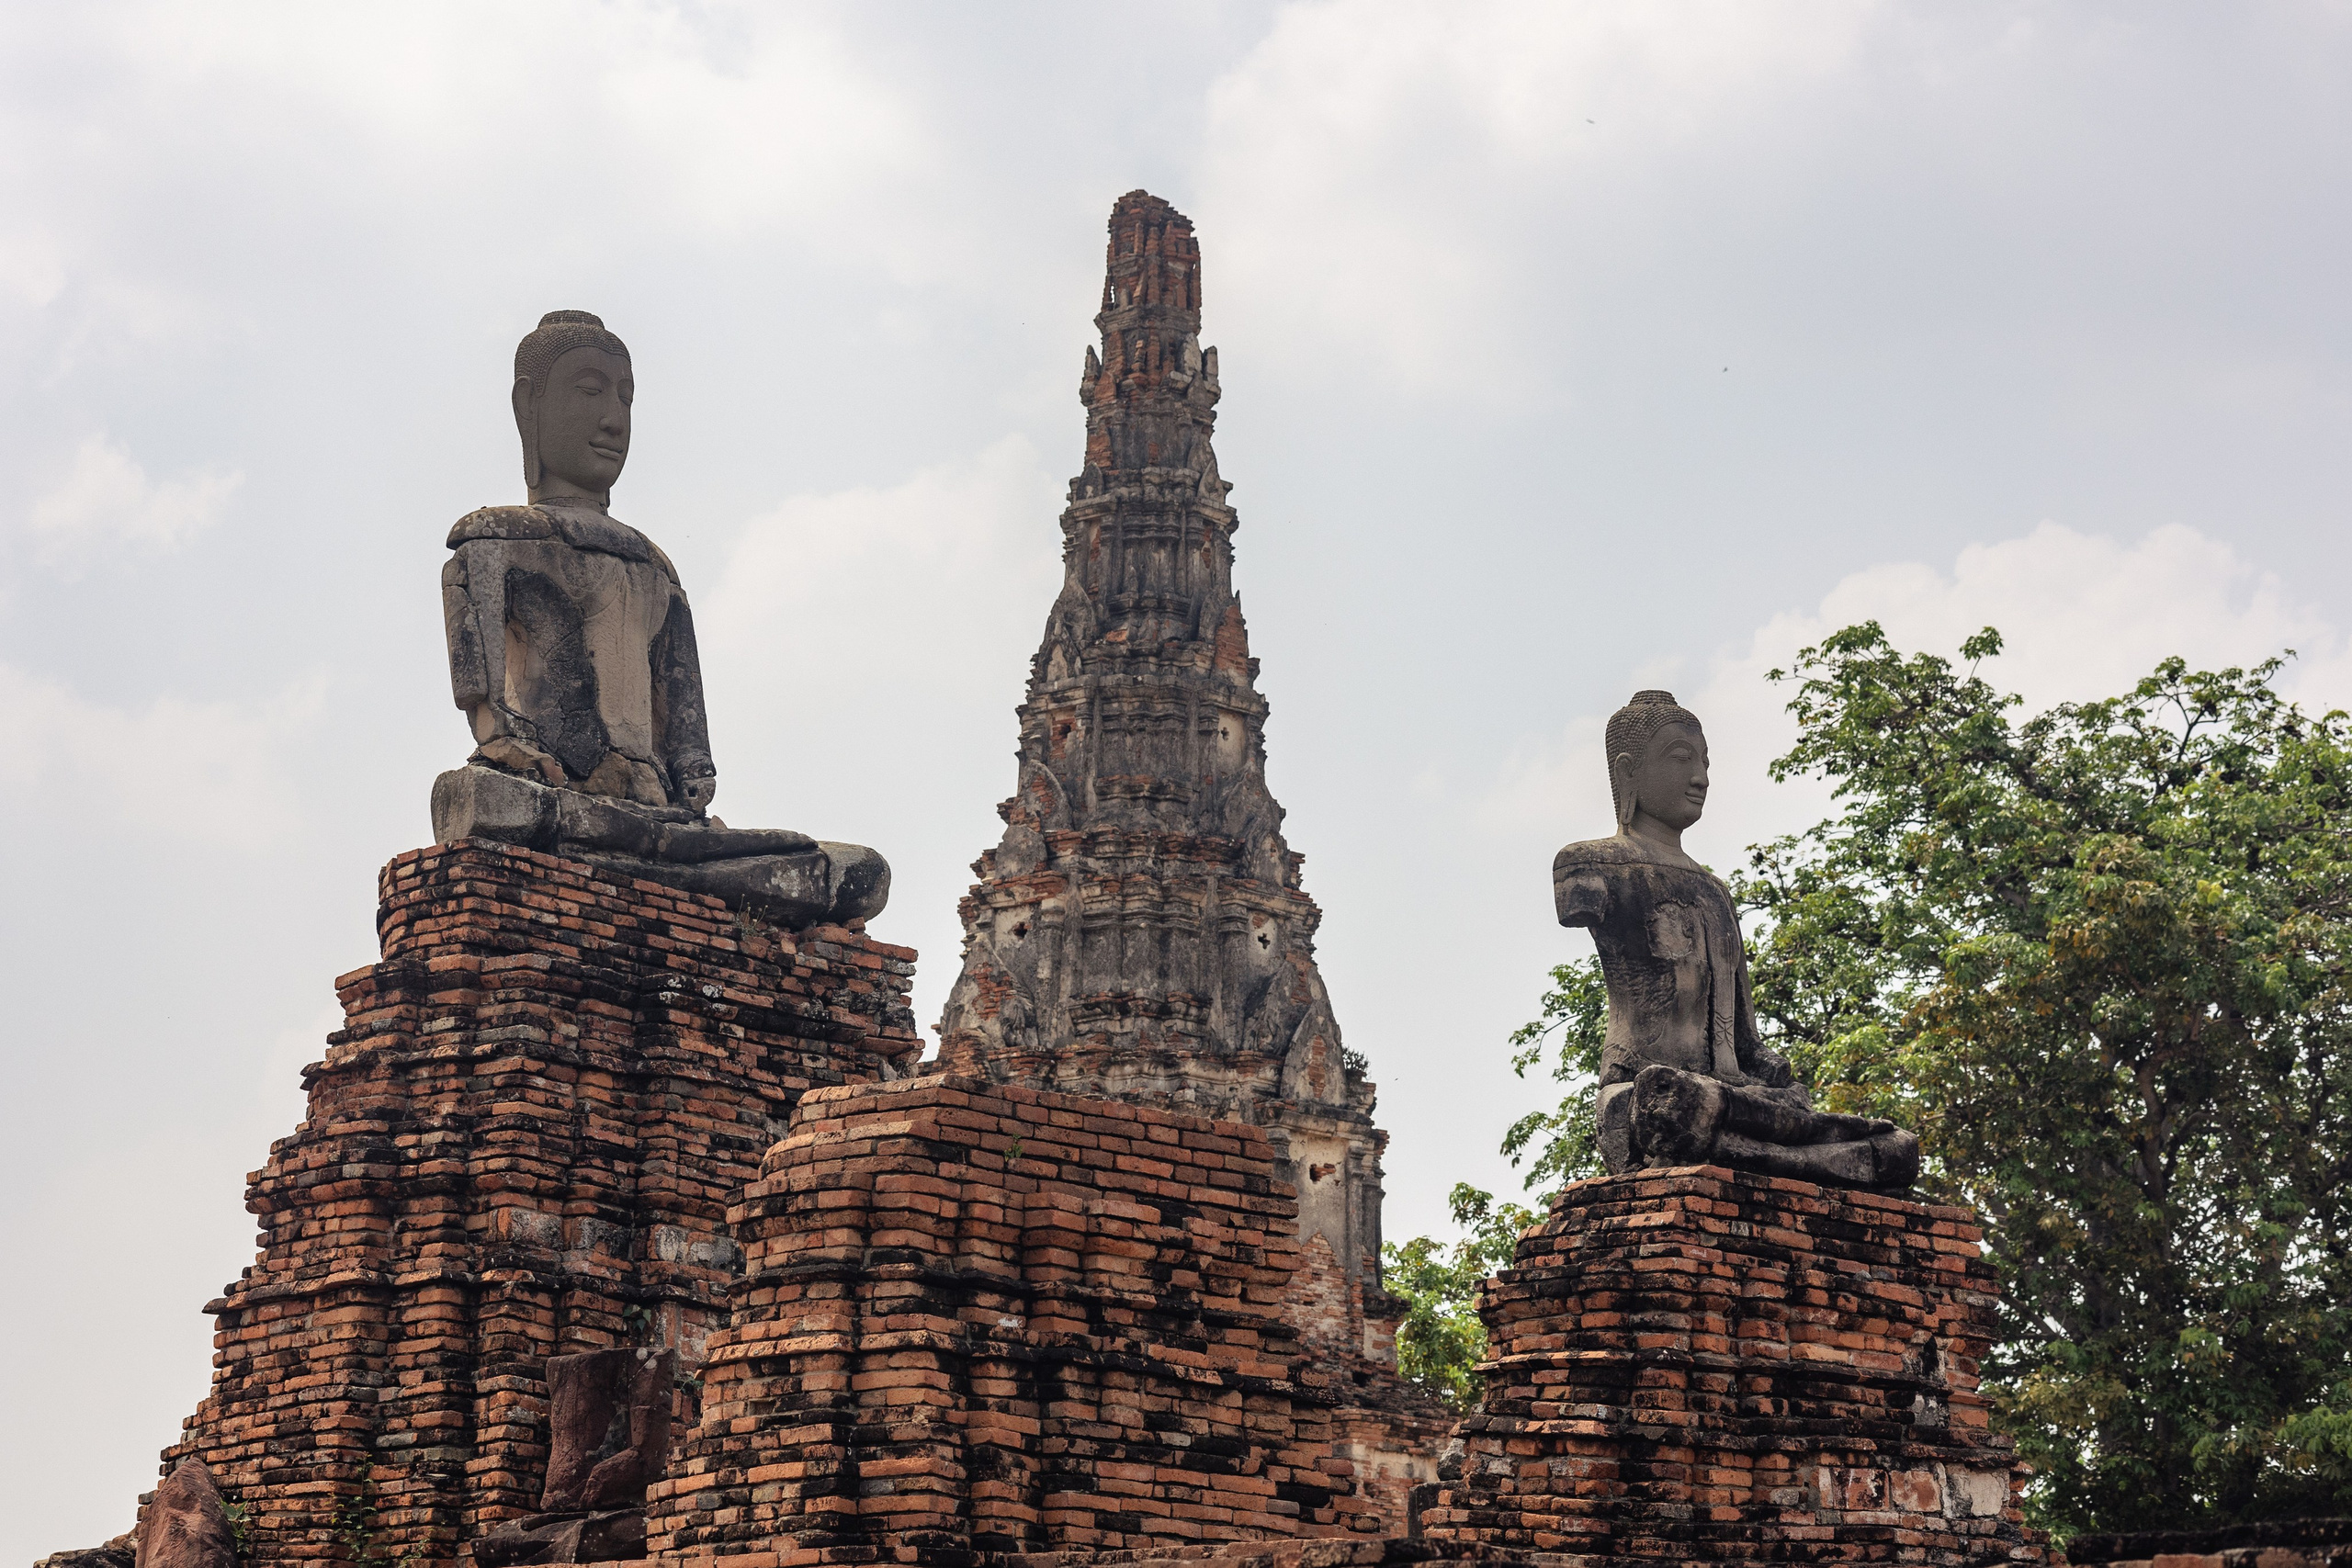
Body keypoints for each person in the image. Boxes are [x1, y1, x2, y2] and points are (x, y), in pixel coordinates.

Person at [1553, 689, 1919, 1190]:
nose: (1700, 777)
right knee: (1681, 1105)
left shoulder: (1715, 892)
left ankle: (1798, 1155)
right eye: (1681, 759)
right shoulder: (1590, 866)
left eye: (1704, 762)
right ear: (1627, 771)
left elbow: (1746, 1042)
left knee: (1895, 1148)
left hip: (1730, 1096)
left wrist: (1779, 1082)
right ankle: (1793, 1156)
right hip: (1646, 1095)